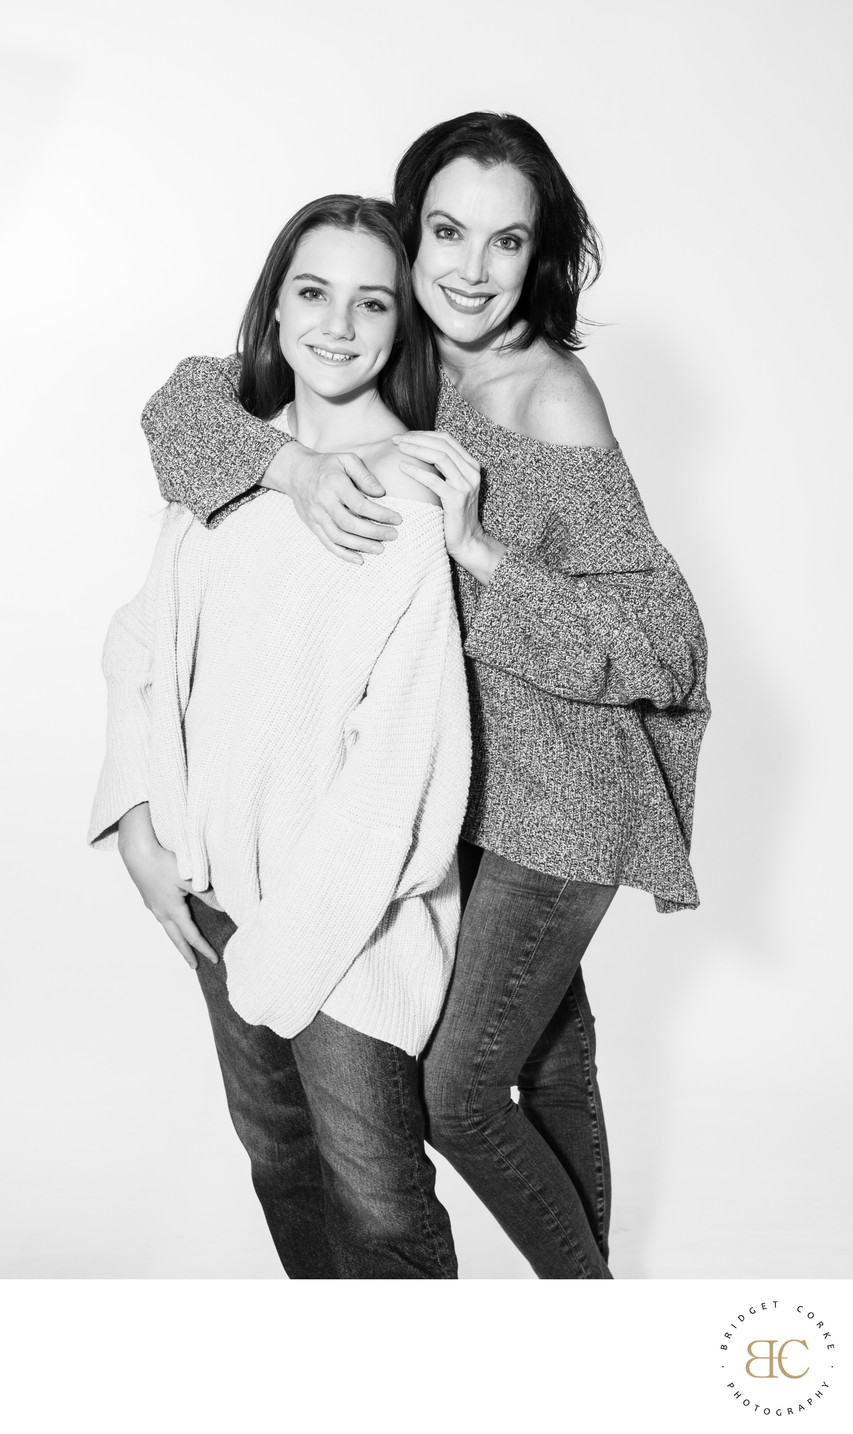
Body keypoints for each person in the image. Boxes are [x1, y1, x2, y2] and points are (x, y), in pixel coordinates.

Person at [139, 113, 710, 1279]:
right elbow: (182, 410)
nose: (468, 268)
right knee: (546, 1060)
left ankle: (589, 1304)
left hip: (558, 792)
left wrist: (484, 550)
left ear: (537, 254)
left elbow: (664, 644)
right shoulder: (381, 349)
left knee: (457, 1089)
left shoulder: (546, 397)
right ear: (408, 233)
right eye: (445, 231)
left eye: (506, 243)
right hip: (464, 792)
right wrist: (290, 466)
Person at [88, 195, 472, 1279]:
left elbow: (407, 759)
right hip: (214, 899)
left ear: (404, 325)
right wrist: (134, 823)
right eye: (313, 292)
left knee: (383, 1204)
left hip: (347, 931)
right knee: (280, 1163)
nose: (338, 326)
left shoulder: (412, 493)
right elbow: (139, 647)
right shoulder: (226, 474)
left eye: (371, 302)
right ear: (273, 306)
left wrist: (284, 951)